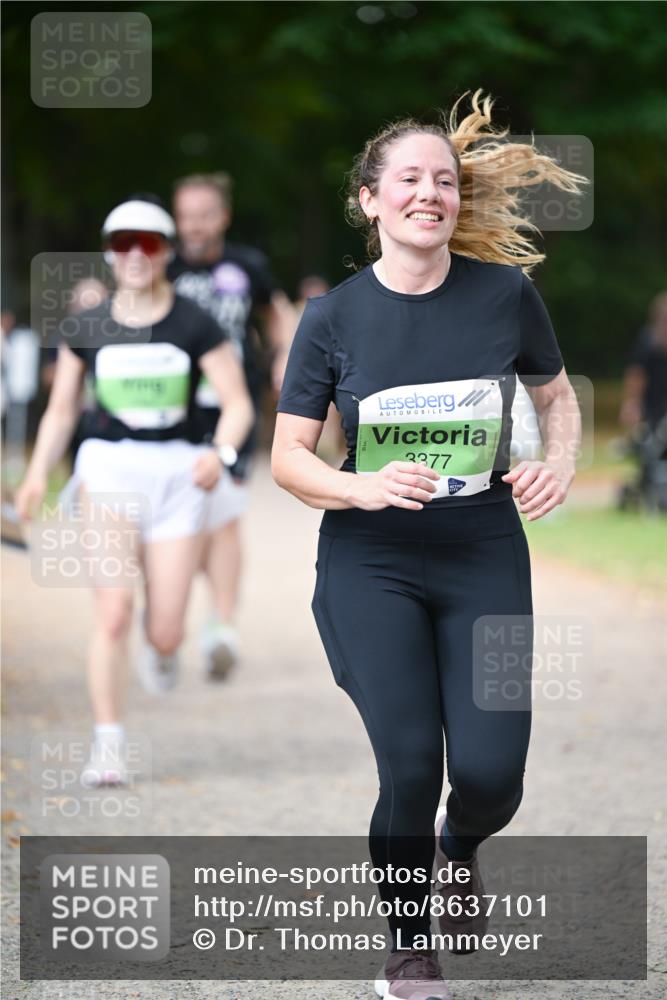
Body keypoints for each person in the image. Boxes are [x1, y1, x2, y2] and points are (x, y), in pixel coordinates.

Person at [272, 89, 583, 999]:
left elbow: (556, 398)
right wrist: (361, 485)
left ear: (457, 200)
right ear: (369, 199)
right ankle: (408, 948)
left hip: (482, 547)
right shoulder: (332, 318)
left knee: (489, 777)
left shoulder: (504, 293)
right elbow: (289, 458)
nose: (429, 193)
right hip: (370, 560)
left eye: (443, 180)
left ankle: (460, 846)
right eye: (407, 179)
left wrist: (556, 466)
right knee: (409, 763)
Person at [15, 199, 253, 786]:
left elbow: (239, 403)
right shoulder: (87, 325)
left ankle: (167, 646)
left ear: (166, 252)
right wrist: (35, 475)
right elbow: (63, 410)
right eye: (123, 243)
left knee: (164, 630)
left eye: (148, 243)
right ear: (109, 251)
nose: (135, 254)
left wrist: (218, 455)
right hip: (110, 470)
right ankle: (109, 745)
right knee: (114, 611)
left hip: (177, 473)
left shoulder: (194, 322)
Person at [169, 172, 295, 679]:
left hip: (232, 404)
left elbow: (276, 312)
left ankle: (221, 624)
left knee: (222, 514)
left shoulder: (247, 265)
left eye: (204, 214)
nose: (194, 225)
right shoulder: (163, 265)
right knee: (178, 517)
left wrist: (286, 355)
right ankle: (168, 626)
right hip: (171, 410)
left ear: (222, 216)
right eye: (186, 215)